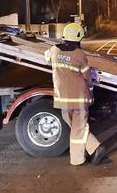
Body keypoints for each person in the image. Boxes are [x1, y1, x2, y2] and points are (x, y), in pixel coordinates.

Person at [44, 22, 106, 165]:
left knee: (75, 126)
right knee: (79, 127)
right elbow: (87, 77)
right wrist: (91, 92)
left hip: (62, 99)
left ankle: (94, 147)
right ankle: (84, 155)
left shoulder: (54, 50)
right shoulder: (79, 54)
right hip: (79, 98)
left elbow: (46, 58)